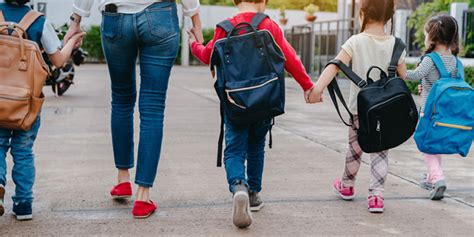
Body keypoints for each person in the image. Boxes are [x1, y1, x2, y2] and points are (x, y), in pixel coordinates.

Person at [67, 0, 202, 219]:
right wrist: (195, 19)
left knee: (121, 100)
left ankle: (122, 179)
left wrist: (76, 20)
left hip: (115, 17)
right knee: (153, 108)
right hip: (160, 16)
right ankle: (142, 196)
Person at [189, 0, 314, 228]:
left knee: (235, 149)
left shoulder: (224, 28)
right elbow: (290, 58)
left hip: (235, 102)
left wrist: (192, 45)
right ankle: (254, 194)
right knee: (256, 146)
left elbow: (207, 55)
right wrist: (308, 86)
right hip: (265, 100)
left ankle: (239, 186)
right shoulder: (269, 26)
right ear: (263, 1)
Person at [308, 0, 406, 213]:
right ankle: (377, 197)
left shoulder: (355, 41)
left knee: (355, 149)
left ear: (362, 14)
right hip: (386, 110)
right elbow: (404, 77)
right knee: (380, 151)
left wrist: (317, 89)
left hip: (359, 110)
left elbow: (335, 65)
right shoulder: (396, 44)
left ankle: (347, 185)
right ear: (389, 16)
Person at [0, 0, 84, 221]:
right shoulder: (39, 22)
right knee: (23, 152)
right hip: (26, 104)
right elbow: (57, 60)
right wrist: (72, 40)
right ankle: (23, 204)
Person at [402, 15, 462, 200]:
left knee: (426, 145)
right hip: (447, 112)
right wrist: (426, 84)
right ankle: (430, 177)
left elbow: (413, 75)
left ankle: (437, 178)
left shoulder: (430, 59)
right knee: (434, 144)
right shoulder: (454, 61)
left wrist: (400, 67)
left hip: (429, 111)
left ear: (432, 37)